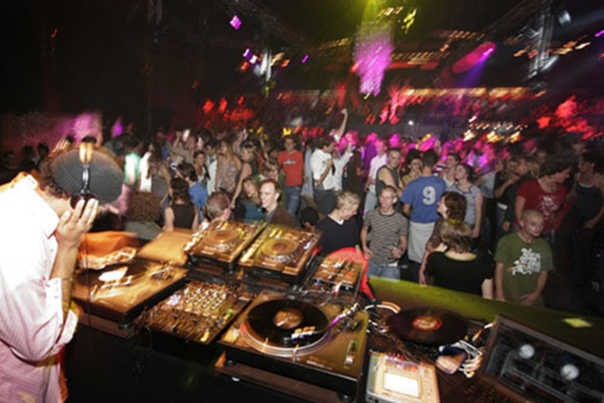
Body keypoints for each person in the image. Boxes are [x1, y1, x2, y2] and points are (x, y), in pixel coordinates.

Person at [0, 148, 123, 401]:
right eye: (99, 209)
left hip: (41, 380)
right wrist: (69, 248)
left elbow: (42, 260)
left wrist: (90, 260)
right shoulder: (15, 240)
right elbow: (38, 342)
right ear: (81, 202)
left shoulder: (27, 198)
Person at [401, 149, 447, 282]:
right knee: (433, 256)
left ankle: (417, 284)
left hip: (417, 224)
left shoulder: (413, 184)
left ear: (421, 163)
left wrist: (414, 215)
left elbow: (405, 209)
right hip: (435, 225)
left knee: (417, 260)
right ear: (435, 165)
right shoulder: (441, 183)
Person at [494, 210, 553, 306]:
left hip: (532, 298)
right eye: (533, 224)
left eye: (541, 225)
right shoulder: (507, 241)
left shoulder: (543, 246)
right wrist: (499, 295)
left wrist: (536, 294)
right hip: (508, 296)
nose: (538, 228)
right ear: (522, 223)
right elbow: (499, 268)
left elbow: (544, 272)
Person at [424, 220, 494, 298]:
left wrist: (438, 249)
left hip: (443, 304)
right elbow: (488, 297)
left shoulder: (437, 260)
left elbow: (428, 281)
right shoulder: (483, 262)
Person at [515, 157, 571, 242]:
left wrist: (554, 224)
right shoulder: (529, 186)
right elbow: (518, 209)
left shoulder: (561, 190)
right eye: (566, 173)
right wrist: (523, 227)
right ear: (555, 172)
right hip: (526, 230)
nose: (568, 176)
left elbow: (559, 210)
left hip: (545, 231)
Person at [418, 191, 467, 285]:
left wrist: (431, 249)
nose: (437, 203)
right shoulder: (439, 222)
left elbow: (441, 254)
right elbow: (429, 246)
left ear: (449, 207)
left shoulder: (455, 229)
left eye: (441, 201)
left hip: (443, 274)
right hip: (431, 269)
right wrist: (422, 270)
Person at [361, 185, 409, 279]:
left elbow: (403, 240)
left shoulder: (401, 220)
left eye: (388, 198)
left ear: (394, 200)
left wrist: (400, 251)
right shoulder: (371, 214)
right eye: (382, 197)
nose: (384, 200)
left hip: (390, 265)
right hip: (372, 261)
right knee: (367, 287)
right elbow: (364, 229)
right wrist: (364, 246)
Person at [316, 191, 361, 256]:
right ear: (343, 210)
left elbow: (356, 244)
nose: (355, 213)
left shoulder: (351, 222)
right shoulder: (322, 228)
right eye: (353, 211)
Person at [447, 163, 484, 241]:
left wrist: (477, 227)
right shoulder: (451, 190)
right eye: (456, 170)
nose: (456, 172)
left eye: (460, 170)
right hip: (454, 223)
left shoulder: (475, 191)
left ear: (467, 174)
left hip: (468, 224)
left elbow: (478, 211)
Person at [310, 137, 338, 217]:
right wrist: (328, 167)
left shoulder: (326, 154)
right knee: (326, 215)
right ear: (325, 147)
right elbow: (318, 181)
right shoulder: (316, 157)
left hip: (330, 189)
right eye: (332, 146)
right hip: (323, 191)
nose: (333, 148)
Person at [277, 135, 304, 217]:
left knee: (290, 212)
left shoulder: (299, 154)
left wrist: (304, 176)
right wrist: (280, 171)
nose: (288, 145)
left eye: (290, 143)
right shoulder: (282, 154)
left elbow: (304, 168)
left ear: (294, 144)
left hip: (296, 186)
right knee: (284, 211)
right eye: (286, 143)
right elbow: (276, 167)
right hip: (284, 186)